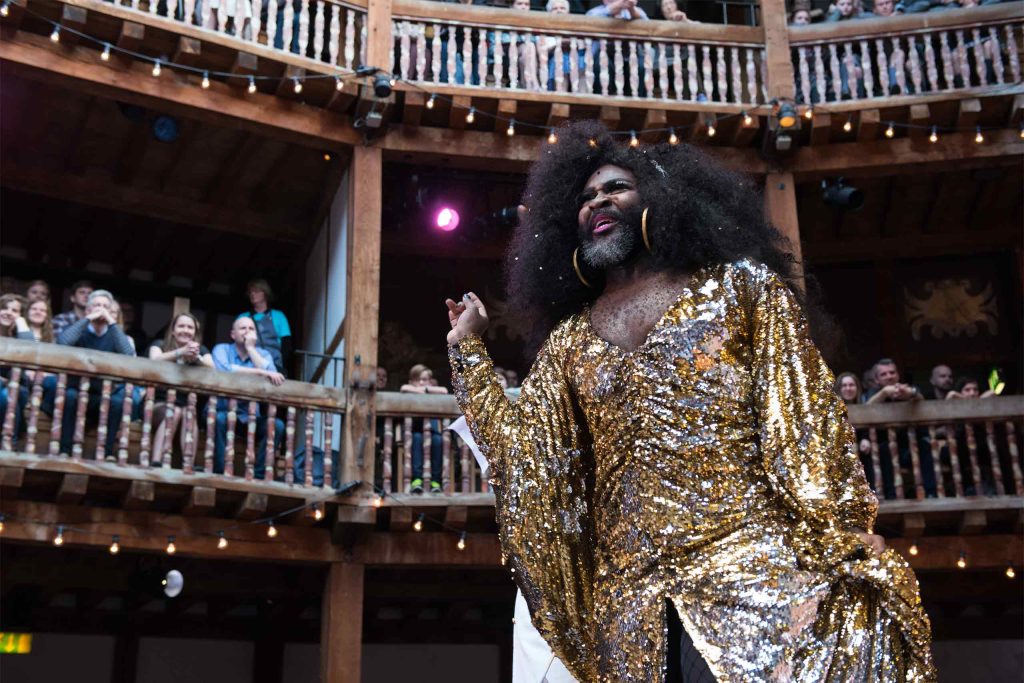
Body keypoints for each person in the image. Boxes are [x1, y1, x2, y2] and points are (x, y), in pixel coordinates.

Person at [443, 121, 934, 681]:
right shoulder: (568, 345)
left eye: (614, 189)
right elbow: (526, 457)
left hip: (753, 575)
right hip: (631, 611)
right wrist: (469, 353)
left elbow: (799, 416)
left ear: (660, 197)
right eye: (585, 198)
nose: (598, 201)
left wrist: (838, 525)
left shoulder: (738, 287)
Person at [42, 290, 134, 456]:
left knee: (117, 403)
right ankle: (65, 450)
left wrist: (112, 322)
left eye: (106, 306)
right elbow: (63, 342)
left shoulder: (114, 335)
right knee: (69, 396)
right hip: (75, 389)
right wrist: (87, 319)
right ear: (87, 310)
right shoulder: (80, 330)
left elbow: (128, 354)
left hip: (101, 394)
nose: (102, 310)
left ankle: (105, 453)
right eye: (97, 305)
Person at [211, 316, 286, 478]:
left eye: (251, 329)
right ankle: (220, 472)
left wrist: (251, 349)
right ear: (233, 334)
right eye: (243, 328)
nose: (247, 332)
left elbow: (273, 376)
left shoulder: (263, 354)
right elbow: (223, 370)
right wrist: (260, 372)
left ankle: (259, 474)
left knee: (277, 425)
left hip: (250, 418)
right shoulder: (221, 349)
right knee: (220, 419)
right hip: (224, 412)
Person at [149, 312, 214, 464]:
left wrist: (198, 359)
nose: (185, 330)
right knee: (175, 410)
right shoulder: (160, 344)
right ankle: (157, 460)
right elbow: (154, 360)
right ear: (173, 330)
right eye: (181, 326)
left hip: (186, 405)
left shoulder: (201, 349)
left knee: (188, 411)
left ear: (194, 333)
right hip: (157, 404)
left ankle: (188, 463)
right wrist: (181, 352)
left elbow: (213, 369)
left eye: (190, 327)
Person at [400, 364, 449, 494]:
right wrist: (420, 390)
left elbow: (444, 391)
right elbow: (403, 388)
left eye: (425, 379)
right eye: (418, 380)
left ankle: (436, 481)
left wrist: (425, 389)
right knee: (417, 439)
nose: (421, 382)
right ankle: (417, 480)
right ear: (412, 381)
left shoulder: (432, 391)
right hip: (415, 431)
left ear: (430, 381)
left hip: (433, 432)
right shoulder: (408, 389)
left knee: (438, 441)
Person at [241, 279, 292, 377]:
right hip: (248, 366)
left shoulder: (279, 316)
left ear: (265, 293)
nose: (252, 294)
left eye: (256, 291)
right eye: (250, 292)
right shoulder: (243, 317)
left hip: (274, 366)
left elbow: (286, 345)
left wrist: (279, 366)